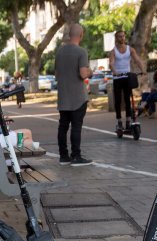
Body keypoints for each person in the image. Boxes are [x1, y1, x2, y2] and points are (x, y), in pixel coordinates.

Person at [55, 23, 92, 166]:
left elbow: (57, 74)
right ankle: (76, 156)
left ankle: (63, 156)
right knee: (76, 126)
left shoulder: (59, 52)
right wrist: (90, 71)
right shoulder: (81, 52)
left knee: (63, 126)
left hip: (63, 96)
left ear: (69, 35)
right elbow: (83, 73)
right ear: (81, 35)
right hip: (78, 97)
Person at [108, 30, 146, 129]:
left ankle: (128, 120)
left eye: (123, 36)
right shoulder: (113, 51)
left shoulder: (130, 49)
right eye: (120, 37)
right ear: (116, 38)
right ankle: (119, 120)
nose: (122, 38)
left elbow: (137, 60)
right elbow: (111, 63)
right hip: (117, 77)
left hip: (127, 77)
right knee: (118, 101)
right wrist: (115, 71)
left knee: (128, 99)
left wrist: (143, 70)